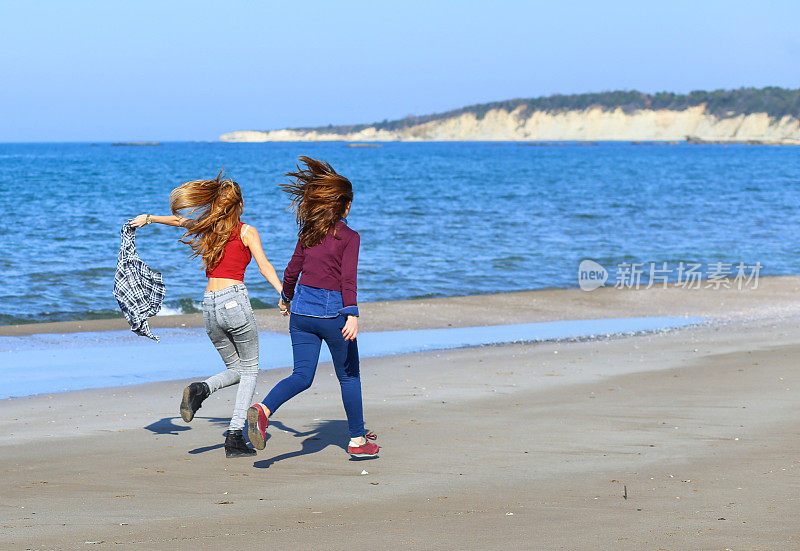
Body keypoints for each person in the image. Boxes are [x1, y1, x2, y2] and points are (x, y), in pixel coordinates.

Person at [130, 172, 283, 458]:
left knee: (237, 369)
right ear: (239, 205)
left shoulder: (206, 228)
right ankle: (235, 436)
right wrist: (283, 293)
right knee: (250, 370)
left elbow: (180, 221)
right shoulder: (246, 231)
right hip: (234, 302)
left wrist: (148, 218)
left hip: (209, 306)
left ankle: (201, 389)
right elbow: (264, 266)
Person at [247, 156, 379, 459]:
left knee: (302, 375)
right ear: (344, 205)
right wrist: (352, 313)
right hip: (333, 315)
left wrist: (286, 298)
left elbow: (293, 268)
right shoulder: (350, 237)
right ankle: (358, 440)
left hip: (301, 313)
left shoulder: (309, 231)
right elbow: (348, 278)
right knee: (348, 376)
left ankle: (263, 409)